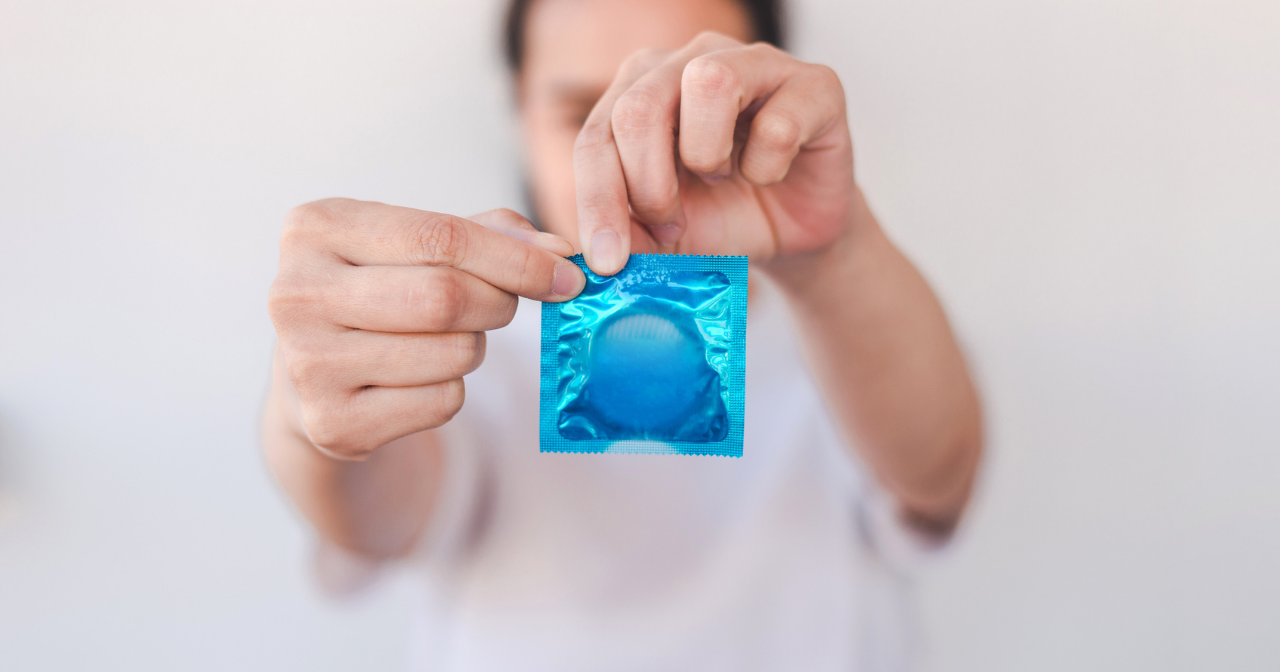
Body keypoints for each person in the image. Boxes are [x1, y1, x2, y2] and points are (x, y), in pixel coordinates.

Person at [262, 0, 983, 668]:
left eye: (685, 119)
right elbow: (380, 515)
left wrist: (834, 256)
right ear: (518, 116)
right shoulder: (465, 351)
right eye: (581, 114)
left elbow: (941, 476)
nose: (630, 164)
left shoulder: (851, 334)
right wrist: (308, 417)